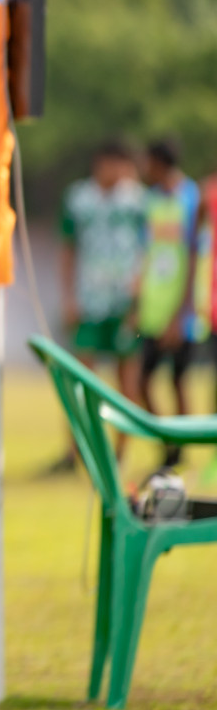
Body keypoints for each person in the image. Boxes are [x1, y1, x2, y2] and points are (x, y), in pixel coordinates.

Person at [41, 140, 144, 477]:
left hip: (125, 301)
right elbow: (68, 249)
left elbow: (150, 250)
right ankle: (76, 451)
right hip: (89, 299)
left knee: (126, 381)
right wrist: (68, 297)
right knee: (81, 378)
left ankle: (119, 453)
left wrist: (140, 300)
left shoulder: (138, 201)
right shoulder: (79, 199)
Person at [134, 139, 209, 469]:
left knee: (179, 381)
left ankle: (183, 449)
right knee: (142, 382)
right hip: (153, 308)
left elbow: (195, 257)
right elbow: (147, 253)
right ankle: (167, 443)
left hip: (183, 311)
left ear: (159, 163)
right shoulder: (150, 201)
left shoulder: (192, 200)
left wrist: (182, 314)